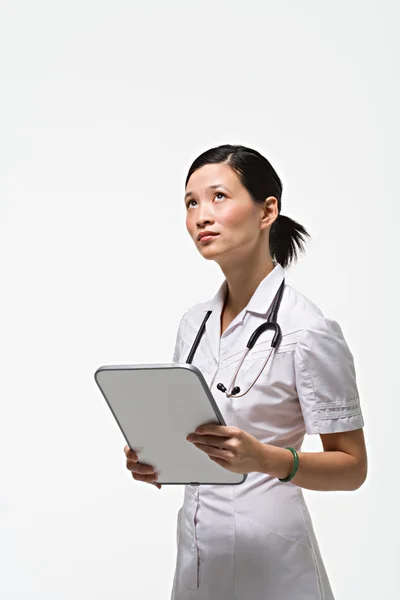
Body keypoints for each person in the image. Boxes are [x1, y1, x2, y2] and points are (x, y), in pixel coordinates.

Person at [124, 144, 368, 600]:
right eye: (191, 202)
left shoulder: (307, 330)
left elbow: (352, 468)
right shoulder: (193, 324)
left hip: (273, 565)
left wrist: (266, 460)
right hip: (198, 558)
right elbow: (193, 435)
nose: (201, 215)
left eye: (219, 197)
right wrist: (157, 457)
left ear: (266, 211)